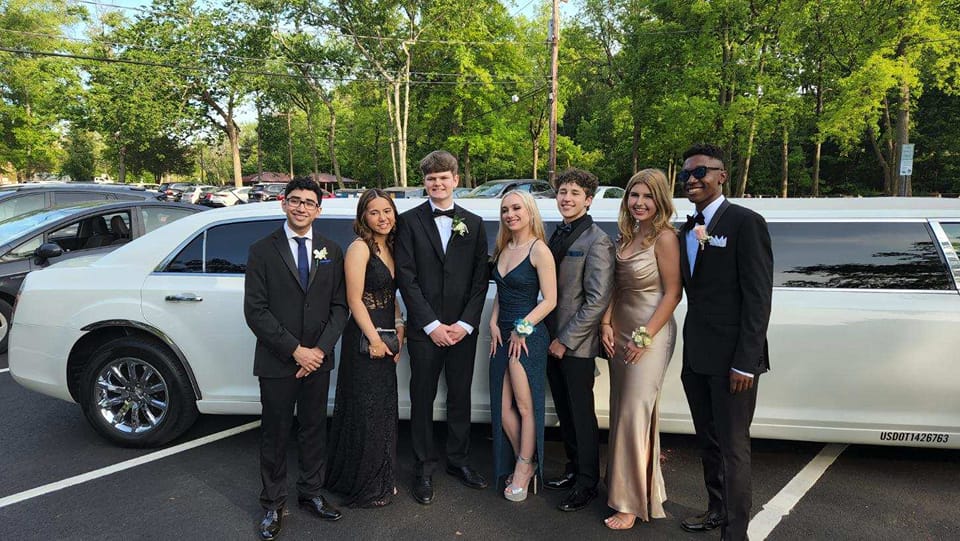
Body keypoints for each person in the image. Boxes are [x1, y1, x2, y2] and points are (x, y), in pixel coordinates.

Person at [243, 178, 349, 541]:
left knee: (314, 428)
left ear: (319, 209)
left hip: (318, 359)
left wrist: (318, 351)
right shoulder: (261, 250)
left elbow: (340, 307)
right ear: (283, 204)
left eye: (309, 202)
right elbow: (255, 311)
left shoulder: (332, 250)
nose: (301, 207)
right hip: (278, 360)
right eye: (295, 201)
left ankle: (311, 494)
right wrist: (295, 350)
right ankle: (272, 504)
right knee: (275, 433)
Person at [677, 143, 773, 541]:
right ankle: (716, 509)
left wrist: (745, 362)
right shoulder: (685, 229)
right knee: (709, 442)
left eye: (700, 172)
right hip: (697, 356)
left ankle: (736, 532)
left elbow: (758, 297)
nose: (692, 180)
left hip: (734, 362)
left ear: (722, 176)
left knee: (735, 449)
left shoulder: (745, 222)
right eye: (685, 175)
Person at [395, 150, 490, 505]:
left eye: (443, 177)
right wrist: (432, 324)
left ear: (455, 180)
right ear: (425, 183)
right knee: (422, 397)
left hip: (462, 330)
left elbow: (481, 279)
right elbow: (406, 276)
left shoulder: (475, 223)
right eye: (431, 178)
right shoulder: (408, 222)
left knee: (460, 396)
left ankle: (459, 460)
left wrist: (465, 324)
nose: (437, 183)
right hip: (425, 331)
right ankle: (423, 467)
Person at [599, 169, 682, 529]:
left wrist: (644, 336)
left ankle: (631, 503)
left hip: (651, 331)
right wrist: (605, 323)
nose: (640, 202)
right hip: (619, 329)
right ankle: (636, 488)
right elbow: (614, 287)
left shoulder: (664, 238)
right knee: (622, 412)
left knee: (635, 412)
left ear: (660, 199)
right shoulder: (626, 236)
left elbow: (673, 293)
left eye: (648, 196)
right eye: (634, 195)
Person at [324, 189, 405, 508]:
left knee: (384, 410)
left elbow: (391, 298)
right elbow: (354, 299)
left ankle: (381, 477)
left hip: (386, 337)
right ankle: (364, 483)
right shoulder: (359, 249)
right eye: (375, 212)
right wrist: (373, 339)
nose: (383, 217)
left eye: (387, 211)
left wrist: (400, 330)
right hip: (364, 340)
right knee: (365, 411)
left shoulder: (392, 247)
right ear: (363, 217)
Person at [543, 168, 615, 512]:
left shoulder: (597, 241)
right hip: (548, 340)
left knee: (581, 416)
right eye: (563, 192)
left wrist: (565, 340)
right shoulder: (552, 234)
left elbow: (597, 299)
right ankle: (573, 470)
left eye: (575, 193)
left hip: (576, 346)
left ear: (589, 200)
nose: (567, 198)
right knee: (565, 413)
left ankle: (588, 483)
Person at [489, 190, 557, 502]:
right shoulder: (503, 247)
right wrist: (493, 321)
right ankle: (524, 460)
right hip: (502, 335)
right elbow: (502, 292)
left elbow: (551, 300)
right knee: (502, 410)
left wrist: (522, 328)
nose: (510, 214)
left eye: (516, 208)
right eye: (505, 209)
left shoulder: (539, 249)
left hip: (526, 337)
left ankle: (523, 468)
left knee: (525, 406)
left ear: (529, 211)